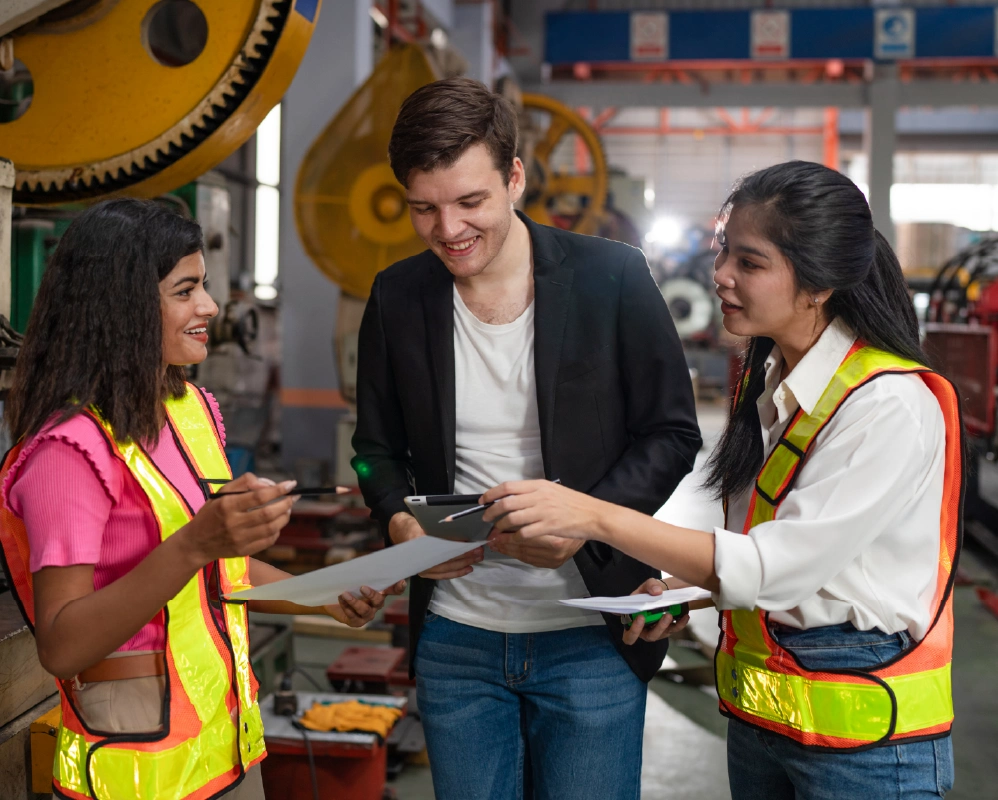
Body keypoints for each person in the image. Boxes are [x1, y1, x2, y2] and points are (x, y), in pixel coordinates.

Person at [481, 160, 961, 800]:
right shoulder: (778, 387)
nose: (721, 276)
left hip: (865, 747)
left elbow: (775, 567)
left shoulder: (887, 406)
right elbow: (788, 549)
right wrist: (686, 590)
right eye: (722, 252)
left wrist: (589, 515)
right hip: (765, 724)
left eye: (750, 263)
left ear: (818, 284)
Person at [351, 77, 701, 799]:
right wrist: (398, 519)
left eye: (470, 202)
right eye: (425, 209)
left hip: (589, 636)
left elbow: (671, 432)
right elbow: (373, 450)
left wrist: (587, 522)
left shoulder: (613, 279)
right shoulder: (397, 298)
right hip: (456, 641)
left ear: (514, 178)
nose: (449, 229)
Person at [0, 199, 404, 800]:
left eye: (205, 287)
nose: (210, 307)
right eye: (185, 290)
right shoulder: (69, 451)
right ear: (125, 305)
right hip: (138, 774)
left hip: (230, 752)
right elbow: (61, 644)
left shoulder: (191, 412)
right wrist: (196, 543)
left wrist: (322, 594)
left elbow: (220, 573)